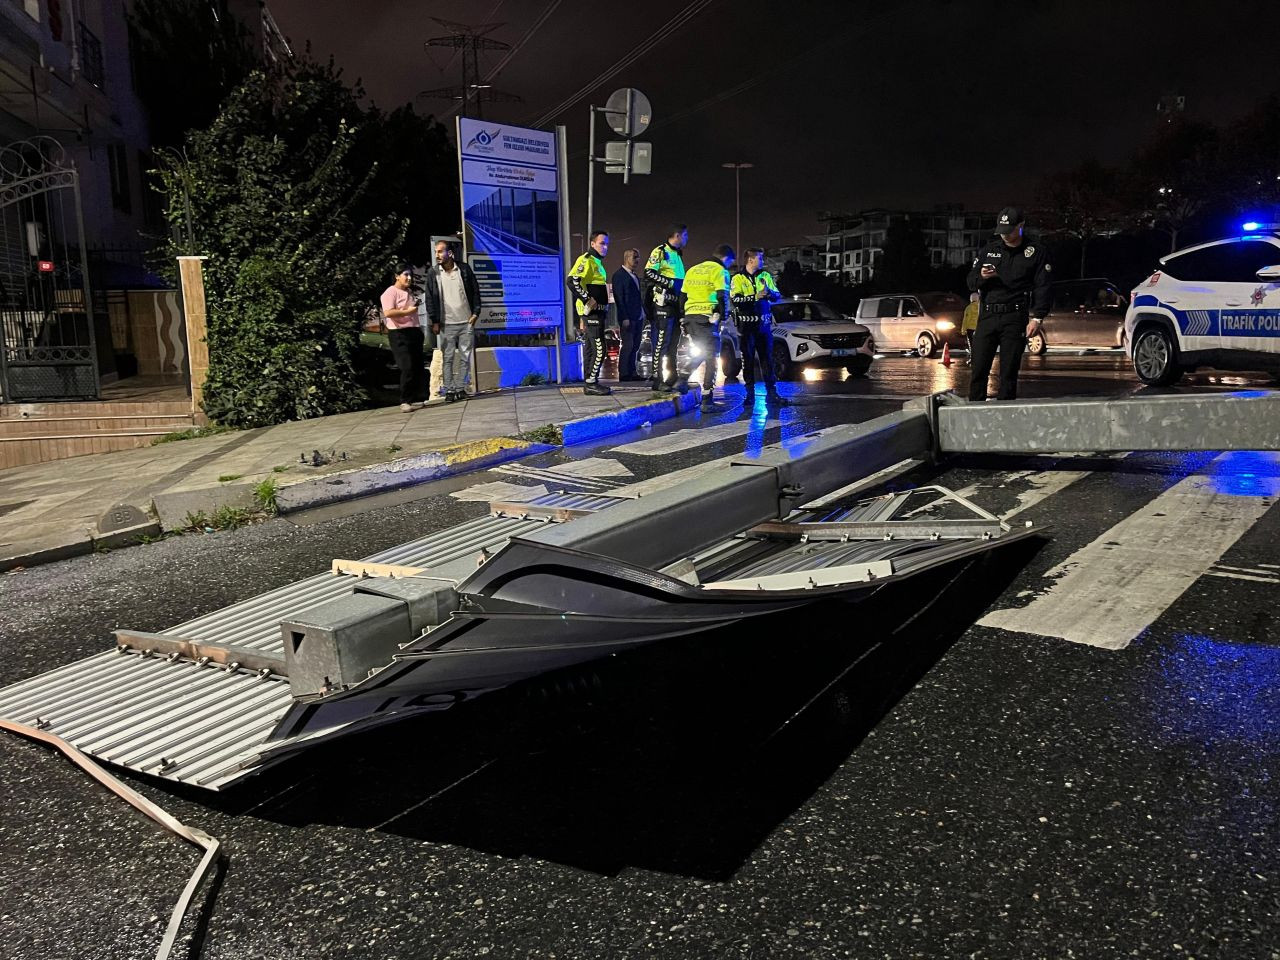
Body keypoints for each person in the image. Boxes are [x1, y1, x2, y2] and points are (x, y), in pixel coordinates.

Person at [966, 206, 1051, 401]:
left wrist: (1037, 317)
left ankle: (1004, 418)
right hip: (988, 315)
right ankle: (972, 415)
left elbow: (1043, 286)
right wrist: (981, 276)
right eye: (1001, 231)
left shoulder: (1035, 252)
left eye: (1009, 231)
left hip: (1015, 316)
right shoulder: (990, 250)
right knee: (978, 370)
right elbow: (970, 282)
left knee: (1009, 374)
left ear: (1021, 226)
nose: (1005, 236)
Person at [675, 244, 734, 409]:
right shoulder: (720, 271)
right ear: (726, 259)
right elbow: (723, 296)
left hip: (690, 318)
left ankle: (682, 378)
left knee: (703, 352)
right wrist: (724, 315)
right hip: (707, 318)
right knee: (712, 358)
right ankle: (707, 400)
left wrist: (682, 318)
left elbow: (683, 296)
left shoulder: (692, 270)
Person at [425, 240, 481, 403]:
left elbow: (475, 291)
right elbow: (429, 298)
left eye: (440, 251)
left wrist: (476, 313)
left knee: (465, 357)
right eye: (436, 252)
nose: (437, 255)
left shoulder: (463, 269)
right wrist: (434, 320)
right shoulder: (433, 273)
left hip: (466, 321)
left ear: (450, 253)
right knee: (447, 358)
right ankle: (449, 390)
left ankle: (460, 388)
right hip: (446, 323)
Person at [730, 247, 784, 404]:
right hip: (746, 328)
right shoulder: (738, 278)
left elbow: (777, 295)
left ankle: (772, 393)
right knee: (747, 360)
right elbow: (736, 301)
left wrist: (769, 294)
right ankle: (750, 395)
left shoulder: (765, 275)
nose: (763, 261)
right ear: (750, 260)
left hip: (764, 326)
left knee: (767, 359)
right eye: (760, 258)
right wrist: (755, 296)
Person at [567, 231, 612, 396]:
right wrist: (588, 300)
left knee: (592, 349)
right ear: (592, 244)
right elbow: (572, 281)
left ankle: (590, 381)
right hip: (591, 314)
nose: (605, 247)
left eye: (607, 243)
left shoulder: (597, 262)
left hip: (598, 313)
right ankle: (591, 383)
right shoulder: (586, 260)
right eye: (602, 243)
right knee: (600, 349)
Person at [644, 224, 688, 392]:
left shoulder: (678, 255)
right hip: (663, 304)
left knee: (673, 344)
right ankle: (657, 378)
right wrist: (668, 283)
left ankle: (672, 376)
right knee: (662, 342)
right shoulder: (660, 251)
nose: (687, 239)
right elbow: (649, 272)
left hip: (676, 305)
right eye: (685, 235)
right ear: (678, 235)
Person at [380, 264, 426, 412]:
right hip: (399, 333)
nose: (409, 278)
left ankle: (416, 397)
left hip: (414, 331)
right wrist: (407, 311)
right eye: (406, 275)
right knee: (407, 366)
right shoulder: (390, 292)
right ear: (397, 276)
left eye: (410, 275)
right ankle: (404, 400)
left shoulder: (409, 292)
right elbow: (388, 312)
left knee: (418, 366)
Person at [612, 248, 645, 381]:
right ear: (627, 258)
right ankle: (624, 373)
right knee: (628, 345)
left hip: (638, 316)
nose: (637, 260)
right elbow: (619, 298)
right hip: (628, 317)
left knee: (636, 345)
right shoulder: (619, 275)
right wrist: (624, 317)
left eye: (638, 257)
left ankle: (632, 372)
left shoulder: (634, 276)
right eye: (634, 257)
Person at [961, 292, 980, 365]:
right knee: (979, 345)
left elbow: (966, 320)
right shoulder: (981, 307)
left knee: (972, 345)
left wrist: (963, 330)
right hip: (979, 329)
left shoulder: (968, 308)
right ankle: (980, 359)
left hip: (970, 329)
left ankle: (973, 359)